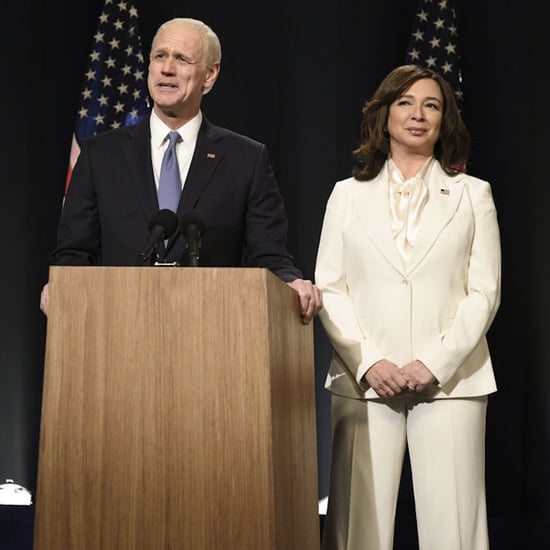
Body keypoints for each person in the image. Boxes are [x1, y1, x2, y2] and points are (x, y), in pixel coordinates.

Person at [315, 64, 501, 550]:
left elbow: (484, 293)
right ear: (384, 114)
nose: (417, 114)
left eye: (431, 105)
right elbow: (329, 288)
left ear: (445, 120)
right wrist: (369, 361)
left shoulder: (473, 195)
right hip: (365, 382)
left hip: (451, 383)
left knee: (453, 527)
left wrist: (435, 363)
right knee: (358, 529)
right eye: (405, 102)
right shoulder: (346, 196)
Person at [40, 17, 321, 323]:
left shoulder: (246, 160)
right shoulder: (100, 154)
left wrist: (292, 282)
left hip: (210, 331)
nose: (167, 68)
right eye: (160, 56)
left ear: (210, 75)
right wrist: (61, 285)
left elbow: (269, 255)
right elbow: (74, 252)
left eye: (182, 59)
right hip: (116, 327)